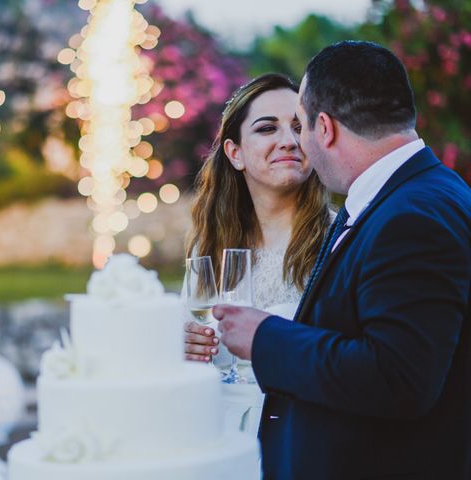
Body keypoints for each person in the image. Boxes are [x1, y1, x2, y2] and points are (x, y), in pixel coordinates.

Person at [216, 40, 471, 479]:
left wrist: (266, 338)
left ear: (326, 129)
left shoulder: (411, 215)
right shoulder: (409, 195)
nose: (300, 145)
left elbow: (397, 378)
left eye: (303, 128)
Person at [183, 73, 332, 364]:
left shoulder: (338, 240)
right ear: (235, 153)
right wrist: (187, 343)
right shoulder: (209, 242)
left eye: (299, 127)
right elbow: (192, 329)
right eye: (267, 129)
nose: (289, 141)